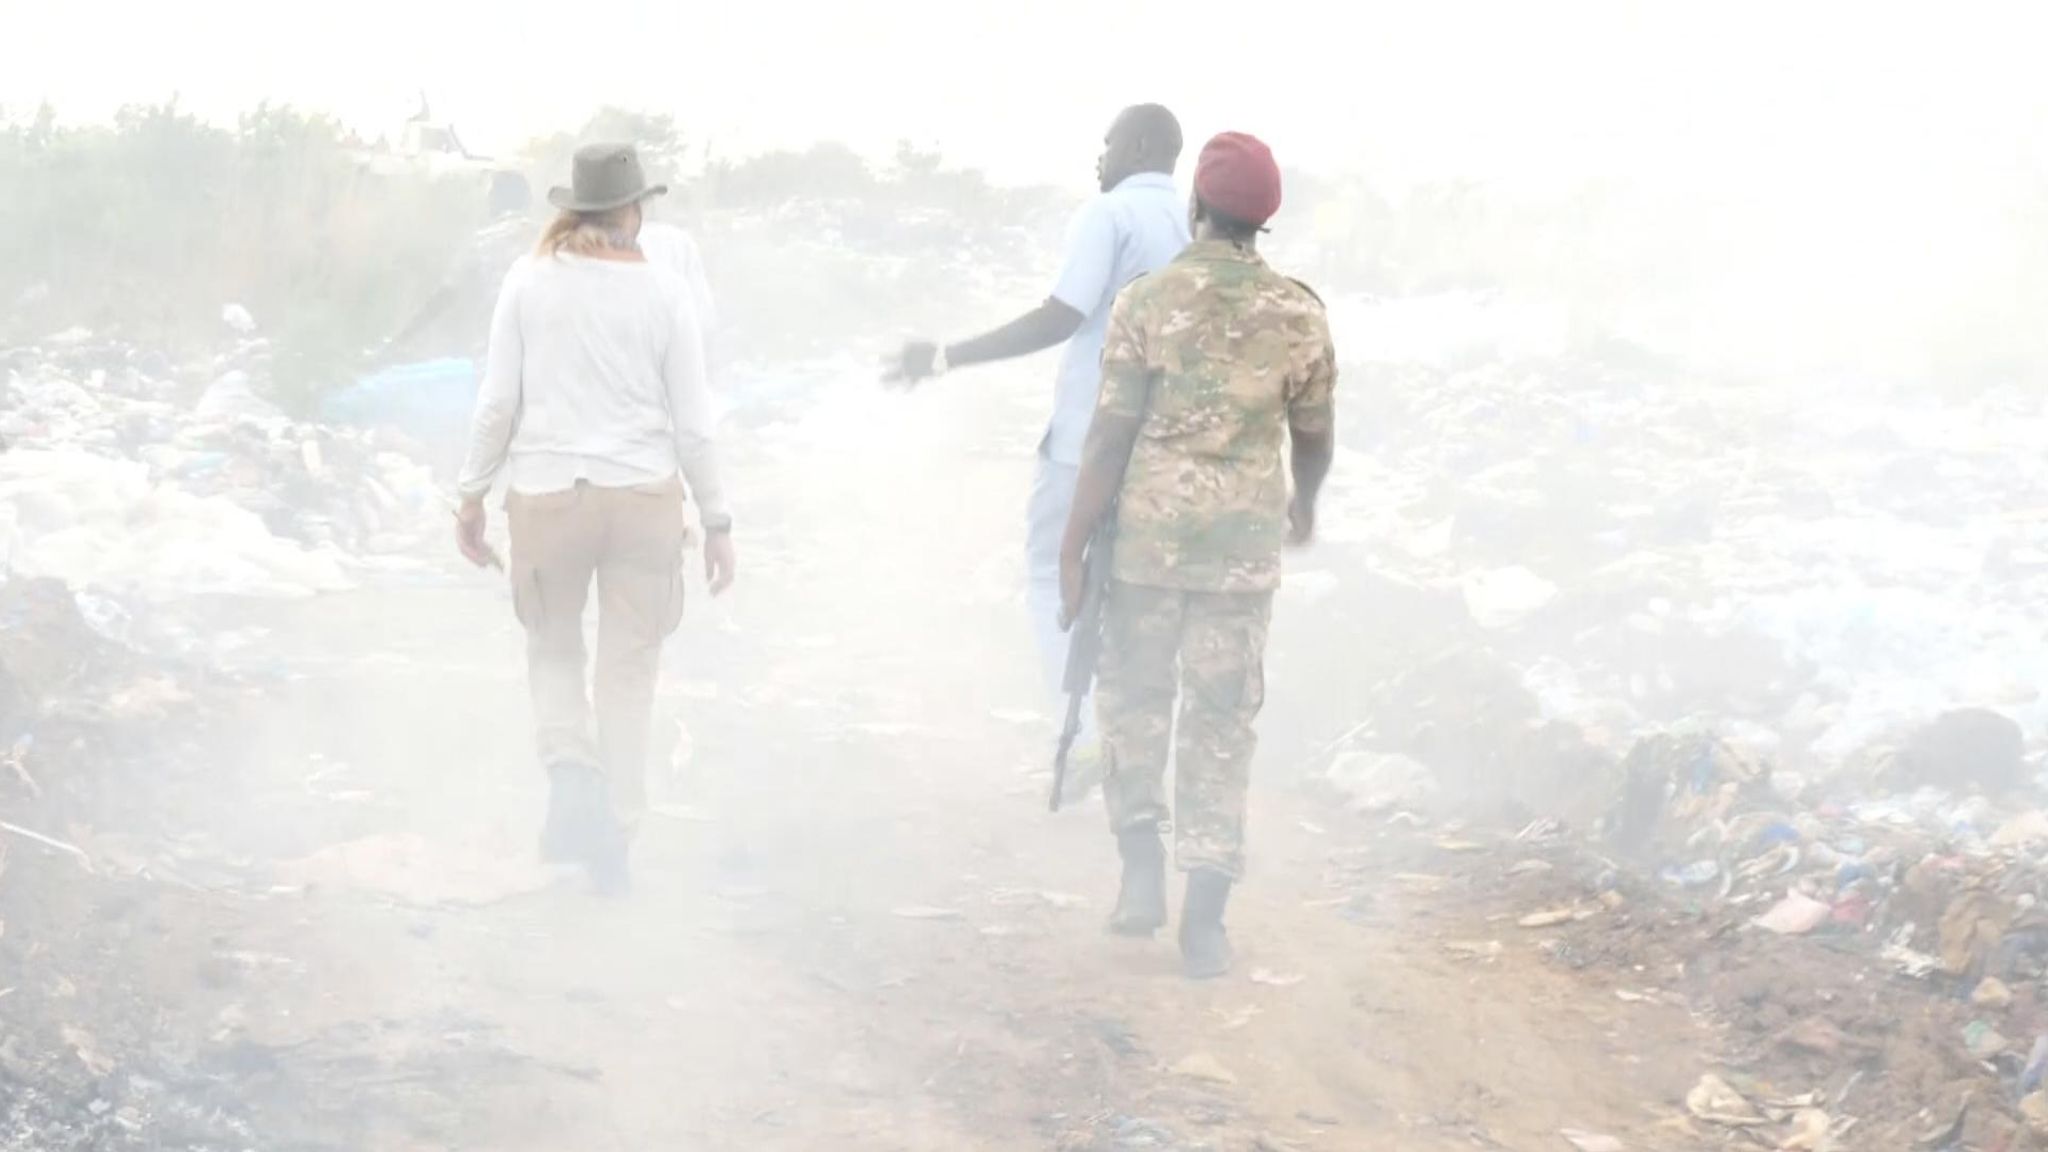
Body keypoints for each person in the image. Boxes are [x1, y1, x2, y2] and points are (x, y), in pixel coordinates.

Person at [1058, 132, 1336, 979]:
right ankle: (1205, 925)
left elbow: (1109, 436)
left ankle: (1140, 881)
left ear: (1196, 209)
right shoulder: (1298, 313)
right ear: (1264, 220)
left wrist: (1073, 543)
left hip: (1146, 548)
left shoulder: (1146, 303)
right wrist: (1304, 504)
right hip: (1239, 558)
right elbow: (1315, 436)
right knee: (1221, 727)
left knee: (1137, 708)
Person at [454, 143, 736, 894]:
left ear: (573, 210)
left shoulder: (527, 281)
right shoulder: (667, 293)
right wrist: (718, 521)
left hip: (547, 498)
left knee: (551, 648)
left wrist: (471, 494)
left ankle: (570, 766)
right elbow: (695, 425)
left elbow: (497, 404)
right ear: (635, 210)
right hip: (644, 502)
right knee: (628, 673)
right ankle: (618, 831)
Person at [884, 105, 1188, 794]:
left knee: (1056, 572)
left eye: (1107, 144)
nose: (1099, 158)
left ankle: (1083, 739)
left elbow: (1061, 315)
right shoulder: (1189, 224)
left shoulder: (1108, 215)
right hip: (1167, 443)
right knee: (1140, 593)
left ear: (1137, 145)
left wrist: (945, 357)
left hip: (1090, 437)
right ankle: (1137, 747)